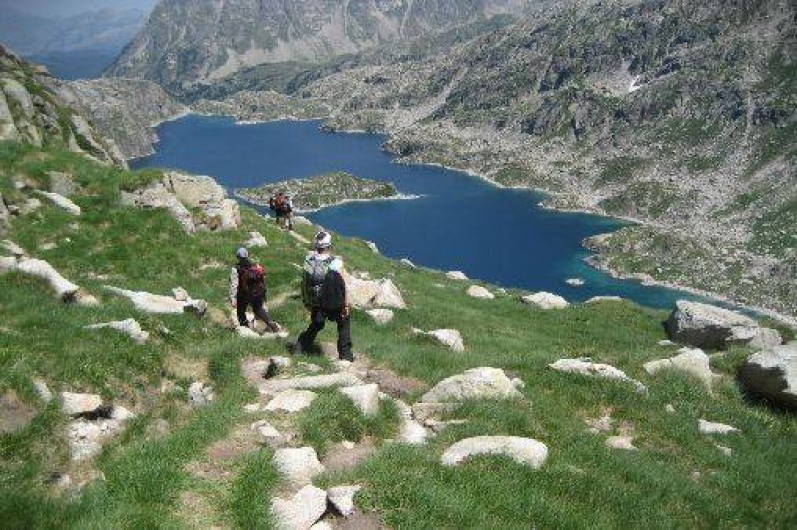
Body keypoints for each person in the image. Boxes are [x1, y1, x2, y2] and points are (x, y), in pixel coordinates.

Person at [293, 231, 353, 361]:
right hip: (334, 302)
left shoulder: (308, 261)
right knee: (343, 323)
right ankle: (345, 355)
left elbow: (304, 284)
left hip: (317, 303)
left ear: (316, 246)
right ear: (329, 246)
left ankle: (300, 346)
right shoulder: (335, 262)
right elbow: (344, 286)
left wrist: (307, 303)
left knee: (317, 324)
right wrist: (346, 305)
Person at [229, 247, 281, 333]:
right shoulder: (256, 266)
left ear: (237, 257)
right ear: (247, 255)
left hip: (244, 294)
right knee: (258, 309)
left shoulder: (236, 269)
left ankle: (245, 329)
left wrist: (233, 298)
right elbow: (262, 278)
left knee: (240, 311)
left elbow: (234, 285)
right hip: (258, 292)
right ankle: (271, 323)